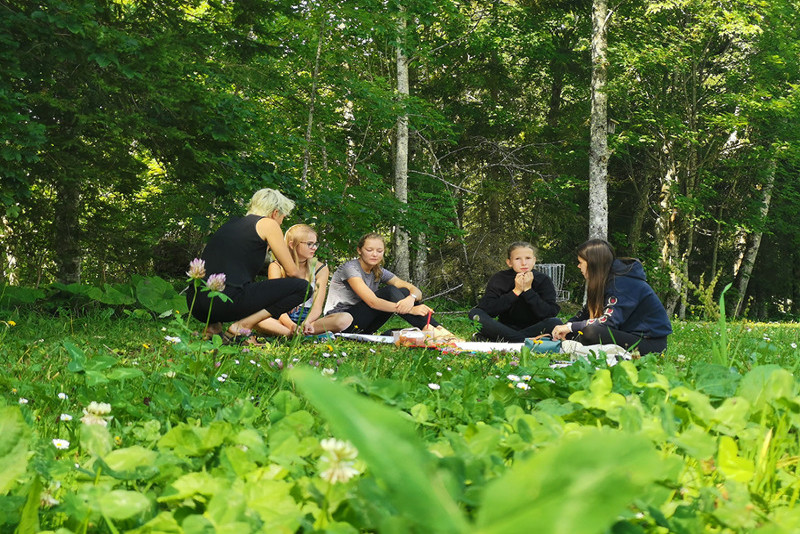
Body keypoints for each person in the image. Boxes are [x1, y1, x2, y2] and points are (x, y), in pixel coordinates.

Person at [187, 188, 312, 342]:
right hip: (224, 302)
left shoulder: (232, 223)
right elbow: (292, 272)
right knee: (303, 288)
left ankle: (213, 328)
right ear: (275, 213)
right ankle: (243, 326)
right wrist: (291, 294)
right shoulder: (268, 224)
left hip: (196, 303)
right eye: (282, 218)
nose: (281, 222)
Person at [550, 239, 672, 354]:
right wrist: (566, 326)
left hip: (649, 343)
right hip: (625, 335)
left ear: (593, 263)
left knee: (590, 332)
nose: (578, 266)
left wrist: (570, 327)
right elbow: (584, 314)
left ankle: (570, 345)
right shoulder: (605, 281)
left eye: (581, 262)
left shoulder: (622, 283)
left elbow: (608, 322)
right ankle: (567, 343)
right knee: (569, 329)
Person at [323, 232, 455, 338]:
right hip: (341, 323)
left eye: (379, 251)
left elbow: (415, 290)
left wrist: (411, 298)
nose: (375, 254)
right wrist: (410, 309)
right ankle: (431, 330)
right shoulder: (350, 268)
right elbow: (373, 302)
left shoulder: (378, 270)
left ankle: (438, 329)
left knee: (403, 291)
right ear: (359, 250)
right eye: (369, 250)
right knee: (389, 292)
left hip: (363, 326)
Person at [264, 224, 350, 336]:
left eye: (315, 244)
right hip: (282, 317)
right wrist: (291, 325)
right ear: (292, 244)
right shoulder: (277, 266)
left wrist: (307, 322)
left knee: (345, 318)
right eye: (309, 244)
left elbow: (317, 306)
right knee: (256, 319)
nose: (314, 248)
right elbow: (274, 304)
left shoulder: (320, 269)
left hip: (308, 319)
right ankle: (299, 335)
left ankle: (296, 334)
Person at [468, 241, 562, 342]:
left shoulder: (543, 280)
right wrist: (515, 292)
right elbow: (488, 309)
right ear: (509, 262)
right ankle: (522, 340)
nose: (524, 263)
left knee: (555, 322)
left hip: (535, 329)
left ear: (534, 260)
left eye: (528, 258)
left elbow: (549, 313)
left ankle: (505, 340)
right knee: (475, 314)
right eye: (518, 259)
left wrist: (528, 290)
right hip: (504, 328)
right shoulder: (500, 278)